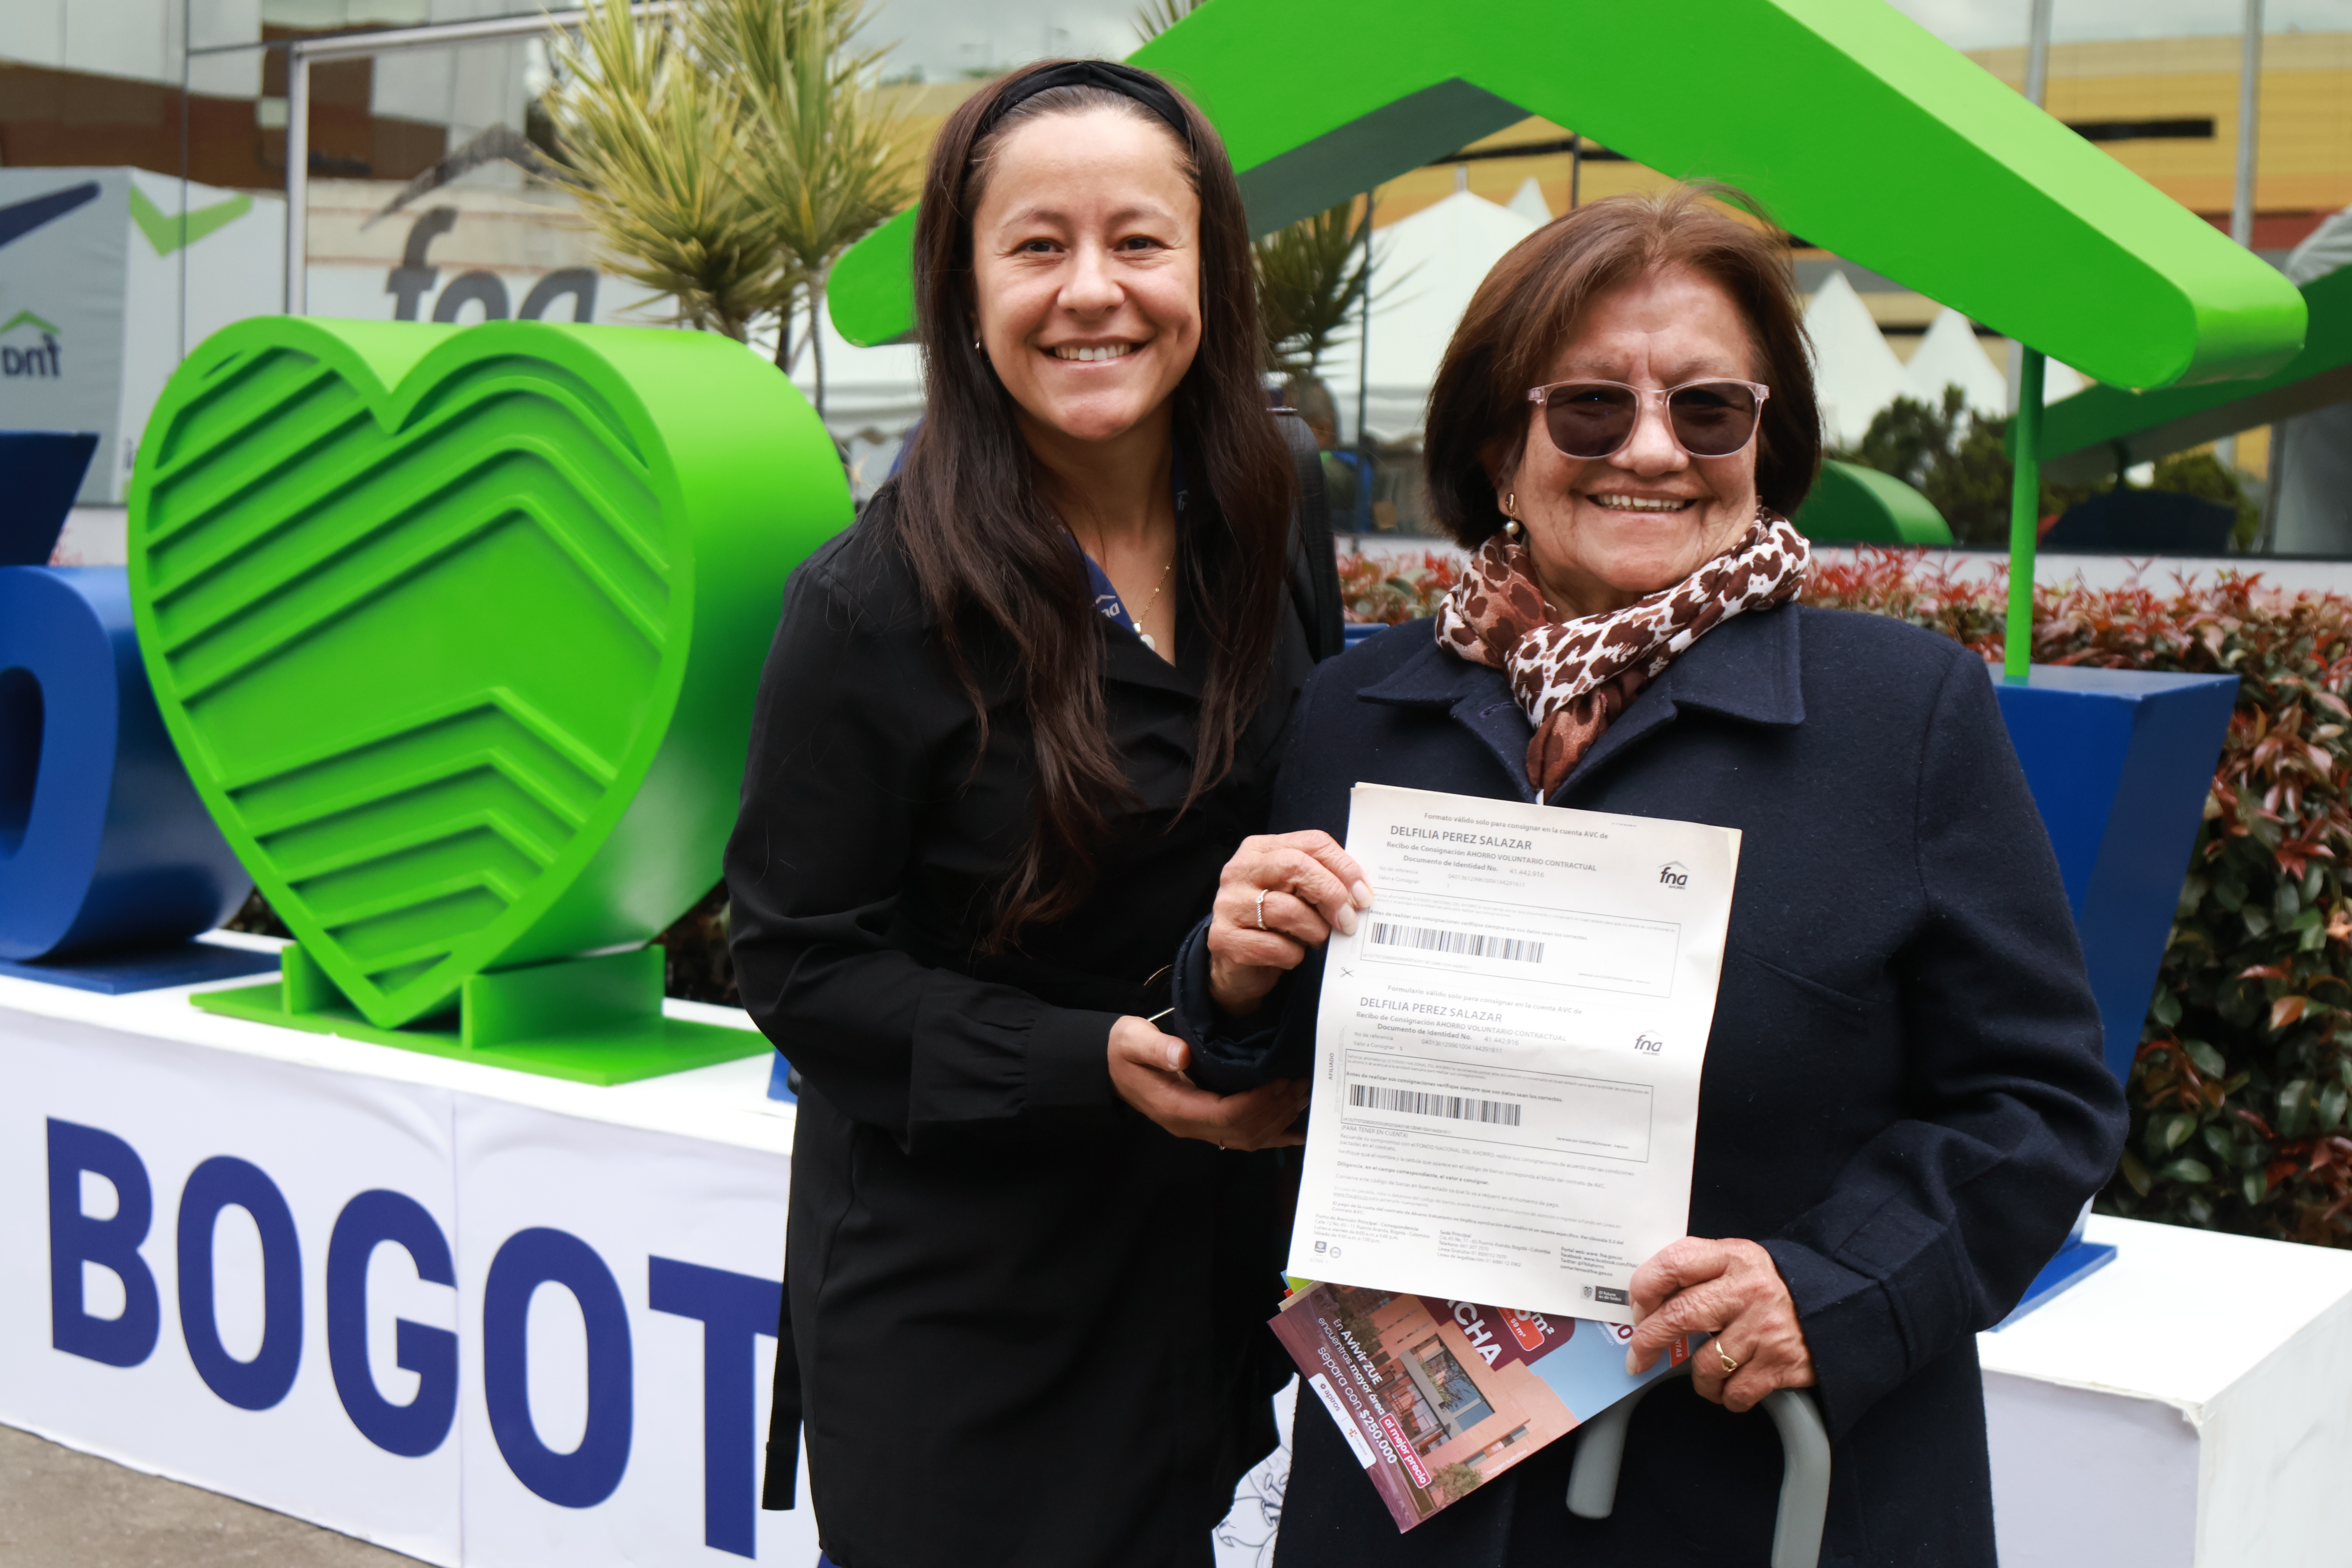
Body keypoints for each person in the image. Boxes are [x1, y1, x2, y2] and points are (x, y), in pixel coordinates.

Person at [1169, 187, 2130, 1567]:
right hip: (1415, 1493)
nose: (1652, 450)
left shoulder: (1900, 713)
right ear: (1501, 447)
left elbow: (2041, 1102)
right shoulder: (1359, 708)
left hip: (1752, 1495)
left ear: (1764, 444)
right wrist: (1233, 975)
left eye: (1708, 410)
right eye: (1590, 412)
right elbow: (1273, 1069)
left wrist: (1834, 1289)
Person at [725, 59, 1344, 1568]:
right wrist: (1090, 1062)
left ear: (1208, 272)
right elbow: (796, 964)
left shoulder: (1274, 502)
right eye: (1037, 247)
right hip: (967, 1303)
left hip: (1203, 1262)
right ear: (965, 282)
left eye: (1139, 242)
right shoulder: (871, 604)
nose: (1093, 294)